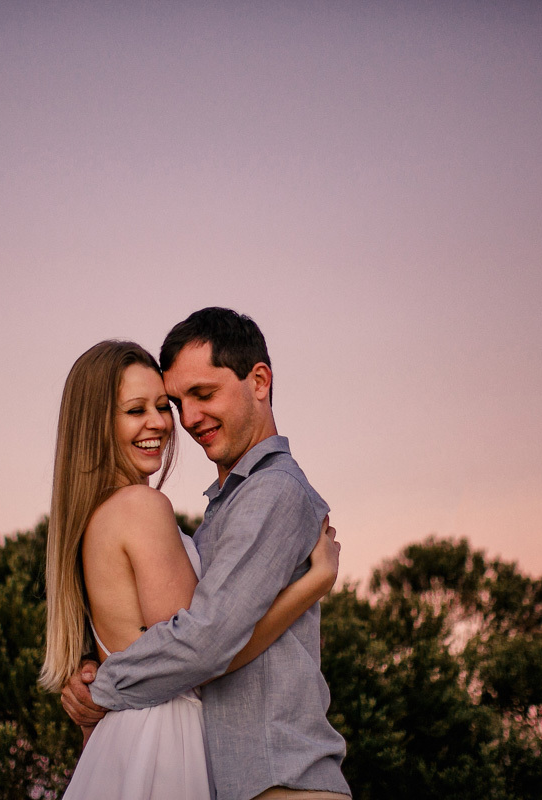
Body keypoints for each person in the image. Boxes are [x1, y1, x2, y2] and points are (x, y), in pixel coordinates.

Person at [62, 309, 352, 800]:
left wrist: (104, 686)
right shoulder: (215, 509)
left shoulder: (272, 491)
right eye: (178, 402)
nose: (186, 418)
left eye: (203, 394)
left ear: (259, 381)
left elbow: (205, 644)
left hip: (280, 778)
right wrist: (312, 585)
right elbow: (197, 641)